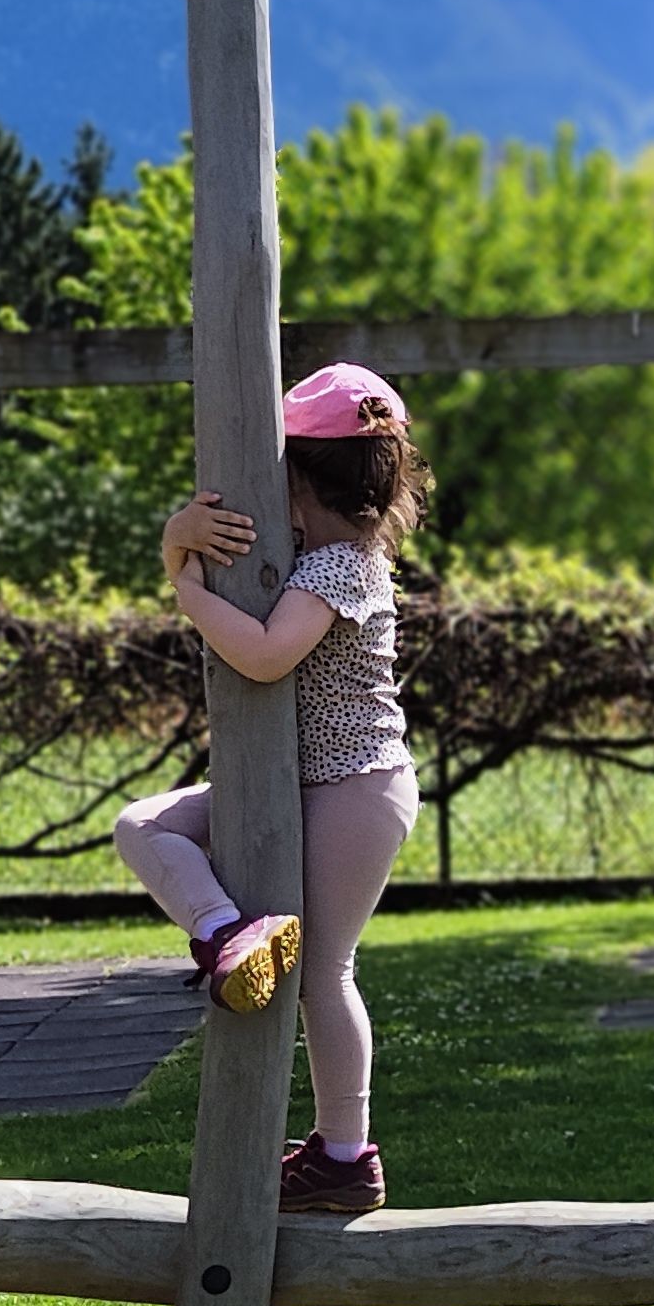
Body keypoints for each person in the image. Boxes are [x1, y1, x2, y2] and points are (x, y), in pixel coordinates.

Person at [113, 364, 430, 1216]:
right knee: (143, 824)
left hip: (357, 788)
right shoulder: (314, 556)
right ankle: (225, 934)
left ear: (292, 481)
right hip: (299, 787)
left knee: (326, 969)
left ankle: (344, 1154)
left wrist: (183, 584)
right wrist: (181, 533)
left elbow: (261, 653)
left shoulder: (344, 569)